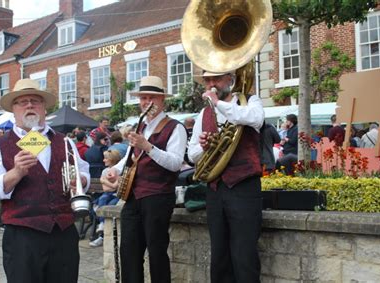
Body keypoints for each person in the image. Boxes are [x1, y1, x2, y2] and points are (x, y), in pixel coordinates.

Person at [0, 78, 90, 283]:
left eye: (35, 101)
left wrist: (81, 180)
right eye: (22, 102)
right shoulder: (0, 145)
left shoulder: (64, 141)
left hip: (63, 233)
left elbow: (84, 172)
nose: (29, 105)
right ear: (14, 110)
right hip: (23, 236)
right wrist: (15, 173)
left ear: (44, 108)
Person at [106, 76, 187, 283]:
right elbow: (129, 157)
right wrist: (114, 170)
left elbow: (176, 163)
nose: (147, 102)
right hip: (134, 196)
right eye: (143, 98)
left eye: (152, 98)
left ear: (162, 101)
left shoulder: (175, 127)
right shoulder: (141, 126)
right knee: (129, 253)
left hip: (159, 196)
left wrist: (148, 147)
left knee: (157, 253)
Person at [188, 70, 264, 283]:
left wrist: (218, 103)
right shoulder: (203, 115)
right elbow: (192, 154)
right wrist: (204, 147)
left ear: (230, 79)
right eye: (208, 80)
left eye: (217, 79)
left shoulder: (250, 101)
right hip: (215, 189)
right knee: (219, 257)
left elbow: (254, 119)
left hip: (244, 187)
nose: (212, 84)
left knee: (245, 256)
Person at [89, 149, 122, 248]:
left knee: (110, 205)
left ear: (112, 159)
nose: (103, 160)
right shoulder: (105, 171)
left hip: (118, 196)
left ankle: (103, 235)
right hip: (107, 195)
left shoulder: (120, 170)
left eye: (106, 158)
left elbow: (117, 187)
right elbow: (106, 189)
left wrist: (104, 180)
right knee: (103, 200)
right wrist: (110, 184)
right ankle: (102, 228)